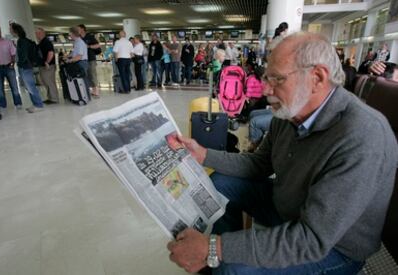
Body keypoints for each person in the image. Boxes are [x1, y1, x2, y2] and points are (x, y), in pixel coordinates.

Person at [167, 32, 398, 275]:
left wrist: (216, 247)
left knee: (235, 268)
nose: (265, 89)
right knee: (218, 185)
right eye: (266, 77)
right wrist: (203, 154)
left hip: (333, 248)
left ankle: (218, 259)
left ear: (317, 77)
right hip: (288, 207)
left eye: (277, 78)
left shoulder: (362, 136)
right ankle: (211, 262)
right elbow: (260, 164)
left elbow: (312, 239)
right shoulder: (290, 111)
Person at [10, 23, 44, 113]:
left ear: (15, 31)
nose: (10, 31)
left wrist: (20, 64)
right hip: (25, 66)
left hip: (25, 67)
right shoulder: (22, 40)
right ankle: (35, 104)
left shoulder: (22, 41)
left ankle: (38, 105)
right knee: (29, 87)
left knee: (31, 86)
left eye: (11, 29)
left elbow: (24, 55)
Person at [35, 27, 59, 104]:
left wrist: (47, 62)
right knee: (46, 82)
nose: (36, 35)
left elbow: (51, 53)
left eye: (37, 33)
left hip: (48, 66)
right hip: (44, 66)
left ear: (41, 33)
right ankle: (50, 97)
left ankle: (54, 99)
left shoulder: (46, 42)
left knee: (49, 82)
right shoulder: (42, 42)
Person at [78, 24, 101, 98]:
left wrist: (89, 46)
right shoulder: (79, 38)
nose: (77, 30)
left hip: (91, 59)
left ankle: (96, 91)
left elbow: (98, 45)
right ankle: (90, 90)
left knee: (92, 74)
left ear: (82, 29)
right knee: (86, 75)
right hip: (83, 59)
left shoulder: (90, 37)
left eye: (78, 29)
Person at [67, 26, 90, 94]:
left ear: (73, 34)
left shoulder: (79, 42)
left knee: (83, 80)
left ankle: (85, 95)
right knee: (81, 80)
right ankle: (82, 94)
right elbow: (75, 53)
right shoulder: (76, 42)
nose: (69, 35)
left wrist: (70, 60)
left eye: (70, 34)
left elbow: (79, 56)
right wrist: (67, 56)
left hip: (81, 63)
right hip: (79, 62)